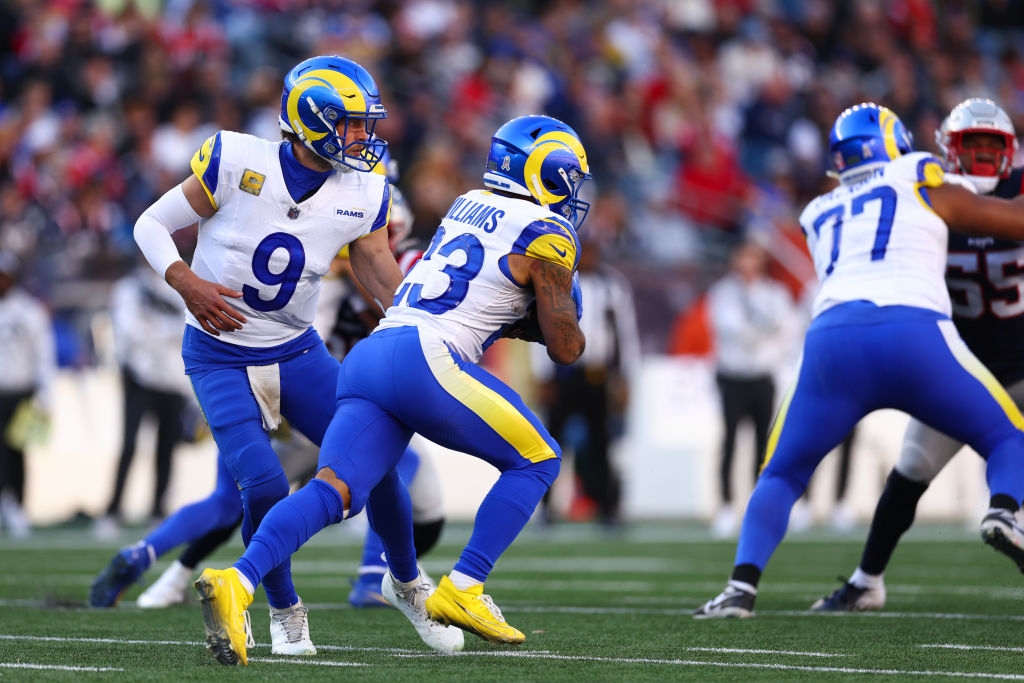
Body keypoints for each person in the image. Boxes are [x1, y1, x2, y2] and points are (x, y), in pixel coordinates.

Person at [193, 114, 589, 666]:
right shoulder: (548, 233)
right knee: (538, 459)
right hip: (427, 358)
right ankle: (467, 584)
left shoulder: (468, 203)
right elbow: (566, 347)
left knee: (333, 490)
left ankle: (238, 580)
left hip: (372, 353)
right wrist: (564, 308)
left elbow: (485, 292)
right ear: (551, 171)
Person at [122, 55, 406, 656]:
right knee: (264, 484)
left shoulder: (363, 190)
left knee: (375, 457)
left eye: (365, 124)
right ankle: (284, 611)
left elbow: (376, 265)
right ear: (312, 119)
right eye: (353, 124)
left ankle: (406, 582)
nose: (364, 136)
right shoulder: (236, 159)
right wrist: (184, 279)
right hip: (219, 354)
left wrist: (418, 321)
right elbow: (150, 223)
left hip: (298, 351)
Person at [695, 102, 1024, 619]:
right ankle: (1005, 511)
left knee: (780, 473)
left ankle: (740, 588)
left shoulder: (818, 211)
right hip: (915, 333)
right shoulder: (918, 173)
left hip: (833, 340)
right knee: (1008, 437)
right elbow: (995, 211)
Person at [88, 159, 446, 613]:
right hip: (299, 381)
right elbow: (354, 290)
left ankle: (156, 565)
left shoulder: (343, 222)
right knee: (380, 464)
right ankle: (372, 578)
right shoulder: (341, 241)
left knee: (233, 500)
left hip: (271, 372)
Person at [813, 98, 1024, 611]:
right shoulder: (925, 195)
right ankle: (867, 581)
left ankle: (1004, 512)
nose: (978, 160)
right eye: (968, 148)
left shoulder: (931, 193)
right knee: (911, 469)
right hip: (961, 366)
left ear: (1009, 153)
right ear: (947, 152)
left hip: (1015, 360)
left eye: (988, 149)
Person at [533, 234, 640, 527]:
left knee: (601, 442)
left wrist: (625, 377)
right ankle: (545, 506)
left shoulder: (612, 285)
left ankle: (607, 506)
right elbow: (538, 328)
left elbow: (625, 334)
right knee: (552, 443)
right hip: (563, 374)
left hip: (596, 374)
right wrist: (543, 375)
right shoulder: (556, 280)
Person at [706, 240, 794, 537]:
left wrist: (760, 331)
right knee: (729, 442)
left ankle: (759, 507)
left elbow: (784, 328)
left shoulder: (774, 293)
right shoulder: (723, 292)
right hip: (733, 376)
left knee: (763, 444)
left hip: (761, 376)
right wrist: (761, 331)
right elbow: (729, 329)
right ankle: (727, 506)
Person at [95, 265, 189, 536]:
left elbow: (189, 326)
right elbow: (130, 330)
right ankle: (113, 511)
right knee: (129, 446)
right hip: (140, 377)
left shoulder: (181, 286)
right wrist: (167, 333)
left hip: (172, 381)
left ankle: (158, 510)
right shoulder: (130, 287)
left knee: (167, 448)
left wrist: (157, 331)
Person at [0, 251, 55, 538]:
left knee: (16, 452)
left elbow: (43, 355)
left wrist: (46, 393)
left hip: (20, 390)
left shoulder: (29, 311)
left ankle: (17, 506)